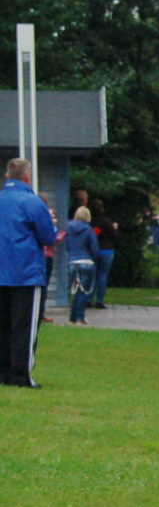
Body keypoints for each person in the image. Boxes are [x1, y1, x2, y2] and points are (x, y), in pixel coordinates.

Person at [1, 159, 59, 385]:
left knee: (3, 324)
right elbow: (48, 237)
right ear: (27, 177)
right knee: (24, 326)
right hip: (25, 272)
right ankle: (20, 374)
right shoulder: (32, 202)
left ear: (8, 176)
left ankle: (3, 370)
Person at [63, 206, 100, 324]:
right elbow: (94, 247)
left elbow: (67, 246)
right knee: (84, 291)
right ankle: (80, 316)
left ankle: (73, 317)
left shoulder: (68, 228)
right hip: (86, 261)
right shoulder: (88, 229)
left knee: (75, 290)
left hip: (73, 261)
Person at [88, 199, 118, 309]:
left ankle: (88, 299)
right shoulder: (106, 221)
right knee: (102, 275)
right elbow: (114, 236)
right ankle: (99, 300)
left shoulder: (90, 221)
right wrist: (114, 228)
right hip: (106, 250)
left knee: (92, 275)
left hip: (93, 251)